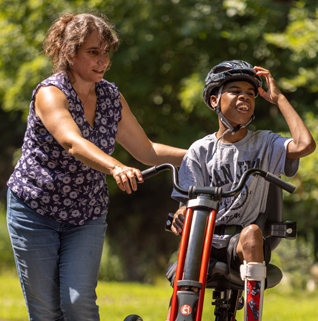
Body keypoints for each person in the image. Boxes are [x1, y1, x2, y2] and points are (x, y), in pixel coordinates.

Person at [6, 13, 186, 321]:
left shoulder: (110, 96)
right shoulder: (50, 93)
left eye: (106, 53)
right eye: (93, 52)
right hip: (34, 211)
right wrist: (116, 167)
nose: (103, 61)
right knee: (46, 312)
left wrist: (205, 153)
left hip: (85, 214)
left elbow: (147, 151)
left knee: (78, 304)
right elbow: (72, 142)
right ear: (68, 51)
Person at [167, 60, 316, 321]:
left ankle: (252, 314)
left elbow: (305, 145)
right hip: (205, 240)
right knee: (191, 240)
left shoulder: (266, 143)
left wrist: (279, 98)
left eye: (250, 94)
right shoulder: (199, 151)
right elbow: (185, 203)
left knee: (252, 232)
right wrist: (181, 212)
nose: (244, 97)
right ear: (215, 101)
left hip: (244, 244)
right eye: (235, 91)